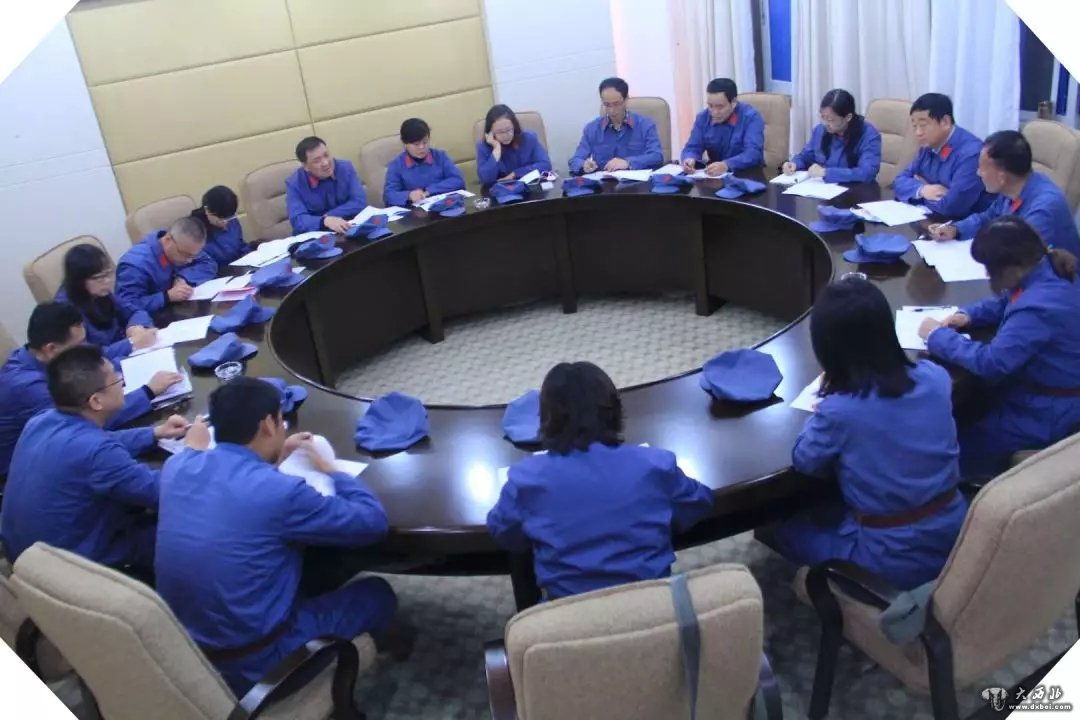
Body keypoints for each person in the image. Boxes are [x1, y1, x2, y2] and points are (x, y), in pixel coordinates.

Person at [155, 377, 402, 695]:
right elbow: (372, 522)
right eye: (281, 421)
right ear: (268, 425)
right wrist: (330, 469)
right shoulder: (280, 491)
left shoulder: (176, 468)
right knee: (377, 593)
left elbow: (235, 492)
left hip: (194, 652)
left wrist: (276, 456)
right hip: (262, 662)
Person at [766, 278, 967, 590]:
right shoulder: (935, 377)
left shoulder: (840, 410)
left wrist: (827, 402)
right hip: (956, 531)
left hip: (890, 557)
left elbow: (804, 460)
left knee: (780, 526)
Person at [486, 362, 713, 601]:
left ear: (546, 418)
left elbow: (503, 532)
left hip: (572, 616)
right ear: (615, 411)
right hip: (653, 608)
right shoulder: (655, 464)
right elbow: (698, 502)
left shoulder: (526, 479)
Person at [1, 345, 188, 570]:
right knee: (187, 526)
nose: (121, 381)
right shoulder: (97, 453)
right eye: (115, 380)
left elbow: (100, 441)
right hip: (69, 566)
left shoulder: (42, 420)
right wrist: (196, 452)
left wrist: (154, 433)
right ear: (96, 401)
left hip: (24, 554)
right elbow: (164, 492)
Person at [920, 217, 1080, 477]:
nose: (987, 275)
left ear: (1011, 267)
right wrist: (968, 315)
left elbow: (991, 364)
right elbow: (1009, 299)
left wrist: (937, 336)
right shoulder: (1047, 267)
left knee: (948, 445)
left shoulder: (1038, 308)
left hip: (1046, 411)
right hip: (1041, 389)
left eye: (990, 268)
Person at [0, 303, 179, 476]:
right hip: (33, 470)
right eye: (80, 344)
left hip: (63, 448)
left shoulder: (36, 356)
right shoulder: (30, 388)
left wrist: (125, 358)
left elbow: (96, 358)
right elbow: (93, 422)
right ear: (51, 349)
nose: (85, 348)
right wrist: (147, 392)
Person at [930, 130, 1080, 257]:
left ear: (1002, 177)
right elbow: (988, 218)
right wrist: (956, 229)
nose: (978, 173)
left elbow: (1020, 258)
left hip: (1053, 279)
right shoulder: (1013, 188)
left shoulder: (1043, 209)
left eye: (982, 168)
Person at [893, 93, 993, 218]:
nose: (918, 133)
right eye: (914, 126)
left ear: (945, 122)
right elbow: (899, 181)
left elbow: (952, 207)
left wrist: (915, 195)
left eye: (923, 125)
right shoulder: (928, 145)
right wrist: (922, 190)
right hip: (931, 218)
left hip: (964, 224)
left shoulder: (971, 154)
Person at [55, 243, 157, 364]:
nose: (107, 281)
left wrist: (135, 327)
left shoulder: (101, 292)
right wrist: (131, 343)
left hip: (128, 354)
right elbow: (86, 357)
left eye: (108, 274)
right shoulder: (65, 311)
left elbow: (136, 311)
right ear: (80, 280)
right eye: (100, 277)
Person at [116, 216, 218, 313]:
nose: (189, 261)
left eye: (193, 256)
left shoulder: (185, 246)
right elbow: (127, 306)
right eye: (185, 255)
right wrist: (166, 296)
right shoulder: (136, 265)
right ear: (167, 240)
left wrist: (183, 278)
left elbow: (208, 263)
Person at [782, 89, 881, 184]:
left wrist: (826, 172)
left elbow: (867, 173)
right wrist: (794, 164)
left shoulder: (868, 135)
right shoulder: (820, 130)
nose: (825, 123)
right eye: (822, 117)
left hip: (857, 192)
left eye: (830, 120)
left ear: (848, 117)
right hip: (823, 190)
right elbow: (806, 156)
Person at [569, 77, 664, 175]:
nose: (612, 110)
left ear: (626, 100)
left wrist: (628, 162)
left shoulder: (645, 125)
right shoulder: (592, 129)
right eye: (607, 105)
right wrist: (583, 164)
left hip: (637, 183)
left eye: (617, 104)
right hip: (604, 183)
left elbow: (657, 156)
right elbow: (575, 160)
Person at [680, 77, 765, 175]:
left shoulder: (751, 117)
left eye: (720, 107)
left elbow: (753, 153)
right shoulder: (703, 117)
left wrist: (727, 165)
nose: (714, 112)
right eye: (710, 106)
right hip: (715, 177)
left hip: (748, 176)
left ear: (733, 102)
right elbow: (692, 147)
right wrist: (689, 159)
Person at [285, 136, 367, 234]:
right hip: (317, 235)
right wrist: (324, 222)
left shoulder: (345, 168)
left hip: (349, 229)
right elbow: (298, 220)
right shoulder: (294, 184)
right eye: (317, 161)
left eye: (326, 155)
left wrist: (329, 216)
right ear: (305, 166)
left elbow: (359, 202)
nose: (325, 163)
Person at [383, 118, 466, 207]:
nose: (422, 147)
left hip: (444, 206)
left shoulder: (440, 156)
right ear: (405, 144)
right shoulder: (396, 165)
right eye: (416, 144)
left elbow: (458, 180)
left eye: (425, 142)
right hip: (415, 212)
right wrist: (409, 195)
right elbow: (389, 195)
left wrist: (429, 190)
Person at [476, 104, 553, 185]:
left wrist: (516, 173)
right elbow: (485, 179)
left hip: (530, 187)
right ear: (490, 132)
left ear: (514, 126)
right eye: (500, 132)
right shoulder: (483, 147)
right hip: (500, 190)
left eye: (508, 130)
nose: (505, 135)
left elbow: (546, 165)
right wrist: (496, 149)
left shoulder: (528, 138)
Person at [190, 185, 246, 265]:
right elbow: (201, 265)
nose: (226, 222)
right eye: (221, 218)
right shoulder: (195, 233)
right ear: (207, 210)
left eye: (229, 218)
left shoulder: (231, 218)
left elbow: (240, 245)